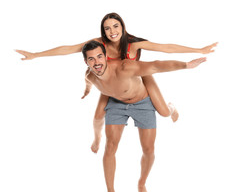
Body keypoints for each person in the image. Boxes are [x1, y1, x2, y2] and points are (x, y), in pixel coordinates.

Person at [15, 13, 217, 153]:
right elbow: (68, 49)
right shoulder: (98, 43)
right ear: (103, 31)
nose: (112, 31)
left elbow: (166, 48)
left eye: (116, 26)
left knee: (163, 113)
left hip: (138, 77)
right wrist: (35, 55)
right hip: (110, 84)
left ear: (122, 26)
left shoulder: (133, 43)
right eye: (107, 28)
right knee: (97, 116)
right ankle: (96, 139)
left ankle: (171, 107)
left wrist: (198, 50)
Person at [82, 40, 207, 192]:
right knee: (109, 147)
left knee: (149, 149)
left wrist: (186, 65)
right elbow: (88, 81)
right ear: (86, 62)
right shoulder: (89, 75)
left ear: (106, 57)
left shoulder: (124, 68)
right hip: (117, 103)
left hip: (142, 101)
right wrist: (87, 90)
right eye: (91, 59)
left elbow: (156, 66)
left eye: (99, 57)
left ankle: (141, 183)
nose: (96, 62)